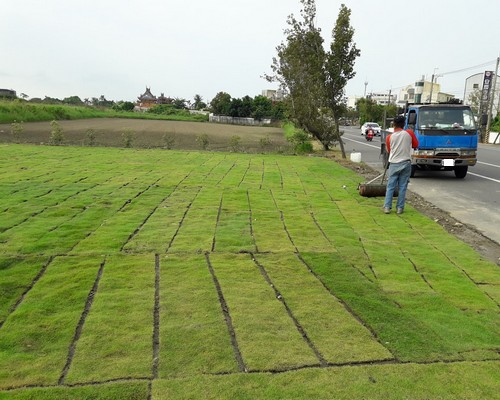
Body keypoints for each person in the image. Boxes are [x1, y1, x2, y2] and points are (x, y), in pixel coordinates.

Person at [383, 115, 419, 215]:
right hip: (406, 163)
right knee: (402, 187)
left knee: (390, 186)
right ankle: (400, 208)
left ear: (393, 124)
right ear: (404, 124)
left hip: (394, 163)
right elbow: (416, 145)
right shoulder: (409, 133)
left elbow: (390, 150)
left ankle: (387, 207)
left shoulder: (389, 137)